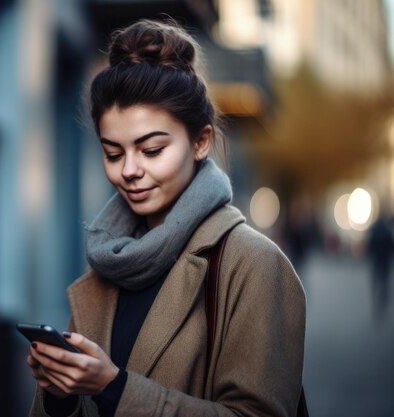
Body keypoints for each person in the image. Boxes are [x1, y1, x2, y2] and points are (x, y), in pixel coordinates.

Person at [26, 19, 306, 417]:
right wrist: (60, 394)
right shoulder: (106, 265)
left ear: (200, 142)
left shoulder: (253, 264)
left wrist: (115, 388)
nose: (129, 170)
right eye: (113, 153)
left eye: (152, 150)